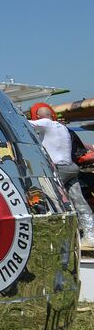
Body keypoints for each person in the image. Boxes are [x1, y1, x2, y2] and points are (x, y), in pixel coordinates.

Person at [29, 102, 94, 248]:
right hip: (71, 168)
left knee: (49, 201)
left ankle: (54, 238)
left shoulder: (46, 123)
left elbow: (26, 124)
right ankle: (90, 237)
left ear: (39, 117)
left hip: (58, 170)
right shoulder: (63, 128)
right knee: (80, 202)